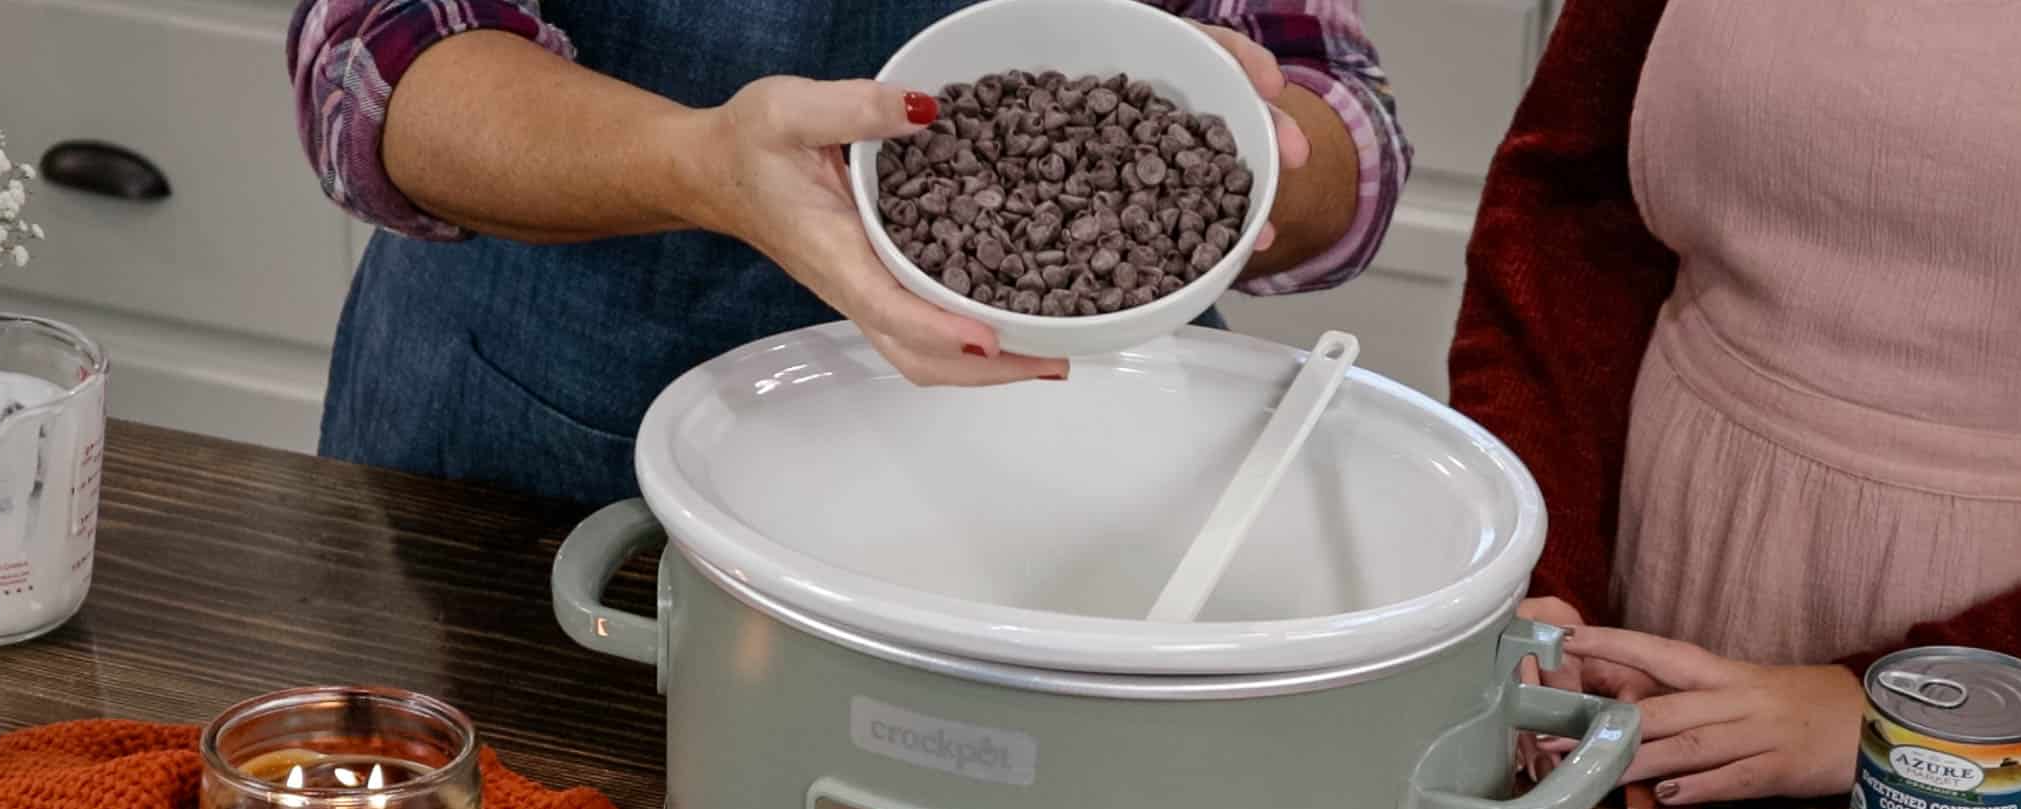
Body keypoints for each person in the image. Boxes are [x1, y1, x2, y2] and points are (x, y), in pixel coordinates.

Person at [287, 0, 1410, 506]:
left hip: (1053, 498)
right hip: (527, 478)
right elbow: (374, 63)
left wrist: (1236, 133)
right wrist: (700, 162)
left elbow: (1344, 139)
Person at [1450, 0, 2021, 807]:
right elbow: (1569, 217)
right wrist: (1541, 566)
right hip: (1661, 557)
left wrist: (1886, 706)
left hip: (1993, 706)